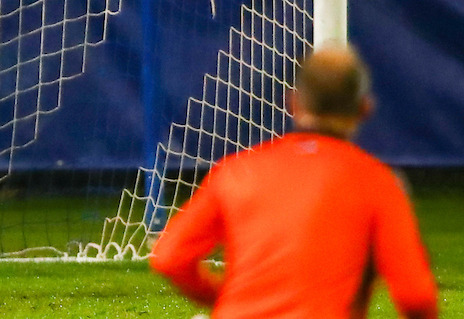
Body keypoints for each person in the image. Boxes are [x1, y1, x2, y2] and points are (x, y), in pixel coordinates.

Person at [151, 41, 439, 319]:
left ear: (292, 102)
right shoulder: (377, 181)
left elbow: (169, 258)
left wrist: (223, 298)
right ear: (364, 108)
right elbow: (416, 296)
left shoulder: (237, 170)